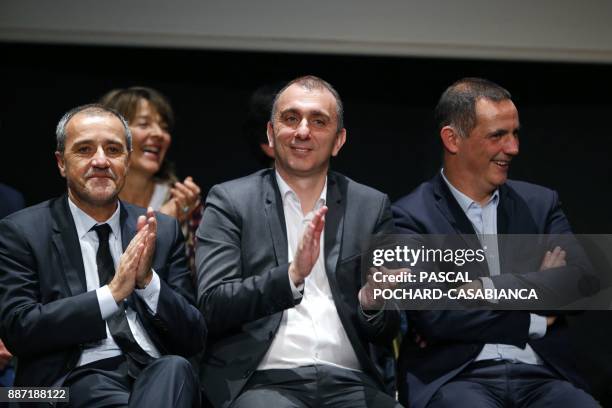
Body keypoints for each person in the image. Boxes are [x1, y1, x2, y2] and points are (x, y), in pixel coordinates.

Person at [196, 75, 402, 408]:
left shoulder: (370, 205)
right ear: (270, 133)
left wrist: (373, 301)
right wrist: (290, 276)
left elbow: (386, 330)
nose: (302, 131)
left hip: (352, 382)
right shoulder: (231, 200)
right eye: (291, 118)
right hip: (262, 380)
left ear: (338, 140)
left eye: (318, 121)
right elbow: (212, 305)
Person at [392, 78, 598, 407]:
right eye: (497, 135)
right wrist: (536, 314)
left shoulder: (540, 204)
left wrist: (484, 287)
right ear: (452, 139)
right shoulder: (410, 216)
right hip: (458, 379)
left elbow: (581, 285)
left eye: (514, 133)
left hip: (543, 376)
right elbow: (435, 316)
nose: (513, 147)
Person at [0, 104, 206, 407]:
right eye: (84, 150)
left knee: (175, 366)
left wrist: (147, 281)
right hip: (57, 388)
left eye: (113, 150)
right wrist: (110, 295)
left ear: (127, 160)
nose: (100, 161)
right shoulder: (24, 231)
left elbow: (194, 336)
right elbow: (20, 329)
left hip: (154, 376)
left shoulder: (159, 230)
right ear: (61, 163)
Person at [100, 87, 202, 272]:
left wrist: (182, 223)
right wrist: (162, 223)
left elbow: (194, 281)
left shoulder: (180, 200)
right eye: (144, 124)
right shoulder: (93, 199)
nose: (158, 134)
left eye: (164, 127)